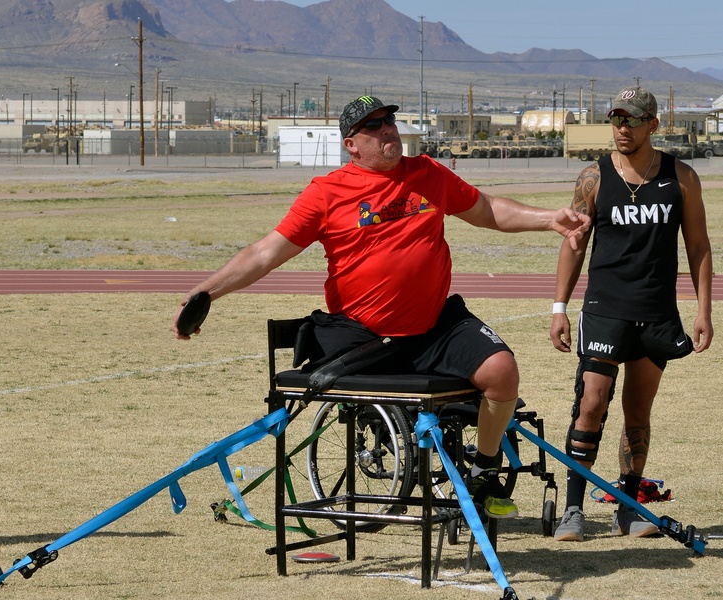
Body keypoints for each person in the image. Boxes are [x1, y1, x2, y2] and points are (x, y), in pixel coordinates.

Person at [172, 95, 590, 519]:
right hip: (364, 335)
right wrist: (206, 293)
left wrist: (547, 219)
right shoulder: (326, 193)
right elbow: (265, 253)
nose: (388, 129)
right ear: (352, 144)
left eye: (390, 120)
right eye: (374, 126)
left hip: (433, 326)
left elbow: (486, 210)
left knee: (502, 372)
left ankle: (483, 470)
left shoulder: (428, 174)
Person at [549, 86, 713, 541]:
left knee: (637, 412)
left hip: (656, 313)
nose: (622, 128)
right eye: (616, 119)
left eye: (632, 120)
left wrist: (703, 311)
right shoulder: (593, 178)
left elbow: (698, 246)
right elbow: (573, 244)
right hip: (605, 310)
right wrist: (560, 307)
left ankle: (627, 506)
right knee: (591, 404)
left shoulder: (682, 177)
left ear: (653, 125)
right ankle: (574, 509)